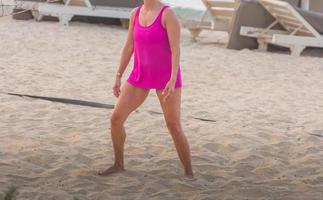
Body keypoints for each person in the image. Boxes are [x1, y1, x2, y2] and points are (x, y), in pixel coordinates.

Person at [98, 0, 194, 178]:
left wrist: (172, 79)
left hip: (166, 77)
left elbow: (175, 49)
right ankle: (118, 164)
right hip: (140, 75)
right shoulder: (135, 13)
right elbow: (129, 47)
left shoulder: (167, 14)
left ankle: (189, 173)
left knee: (174, 126)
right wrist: (118, 75)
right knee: (115, 119)